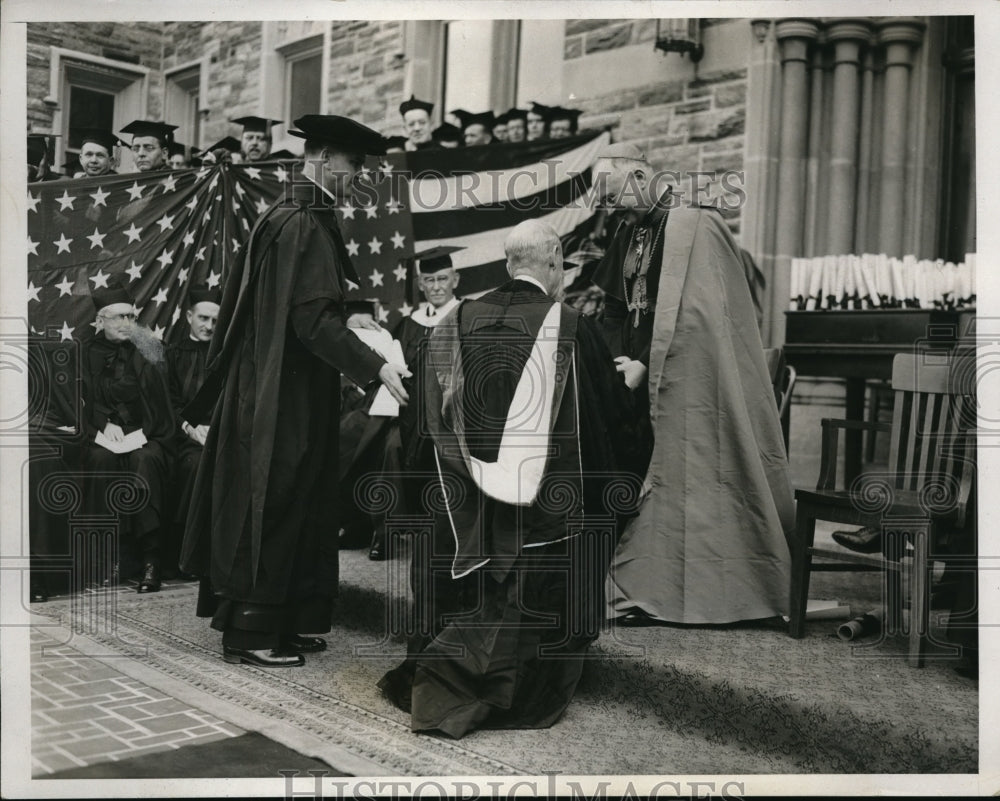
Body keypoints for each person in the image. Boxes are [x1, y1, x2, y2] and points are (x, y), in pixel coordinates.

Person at [379, 219, 642, 739]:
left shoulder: (457, 321)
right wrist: (627, 382)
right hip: (541, 509)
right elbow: (605, 420)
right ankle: (509, 679)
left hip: (464, 507)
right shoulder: (570, 325)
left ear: (506, 265)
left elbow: (426, 419)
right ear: (552, 263)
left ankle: (449, 656)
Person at [180, 114, 411, 669]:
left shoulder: (288, 215)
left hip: (280, 385)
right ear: (324, 156)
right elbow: (313, 321)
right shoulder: (303, 221)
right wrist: (375, 365)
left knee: (301, 500)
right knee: (276, 500)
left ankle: (292, 619)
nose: (361, 177)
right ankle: (252, 633)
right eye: (355, 165)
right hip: (279, 396)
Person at [591, 143, 794, 625]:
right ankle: (638, 580)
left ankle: (703, 589)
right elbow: (617, 307)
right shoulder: (627, 229)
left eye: (613, 190)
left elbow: (700, 318)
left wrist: (644, 363)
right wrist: (609, 360)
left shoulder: (693, 224)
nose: (610, 203)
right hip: (633, 376)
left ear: (639, 174)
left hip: (681, 379)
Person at [81, 280, 176, 593]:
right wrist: (100, 424)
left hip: (144, 431)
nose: (126, 323)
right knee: (100, 459)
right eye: (118, 317)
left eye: (131, 317)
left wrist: (141, 433)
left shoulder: (149, 348)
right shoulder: (83, 353)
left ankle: (151, 559)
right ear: (100, 321)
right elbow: (77, 402)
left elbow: (160, 404)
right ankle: (113, 558)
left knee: (145, 460)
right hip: (102, 434)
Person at [164, 286, 220, 577]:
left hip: (224, 434)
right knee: (195, 466)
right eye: (203, 318)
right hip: (185, 438)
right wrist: (190, 427)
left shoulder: (226, 356)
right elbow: (169, 402)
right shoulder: (172, 356)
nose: (209, 326)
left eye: (215, 321)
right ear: (189, 316)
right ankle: (188, 555)